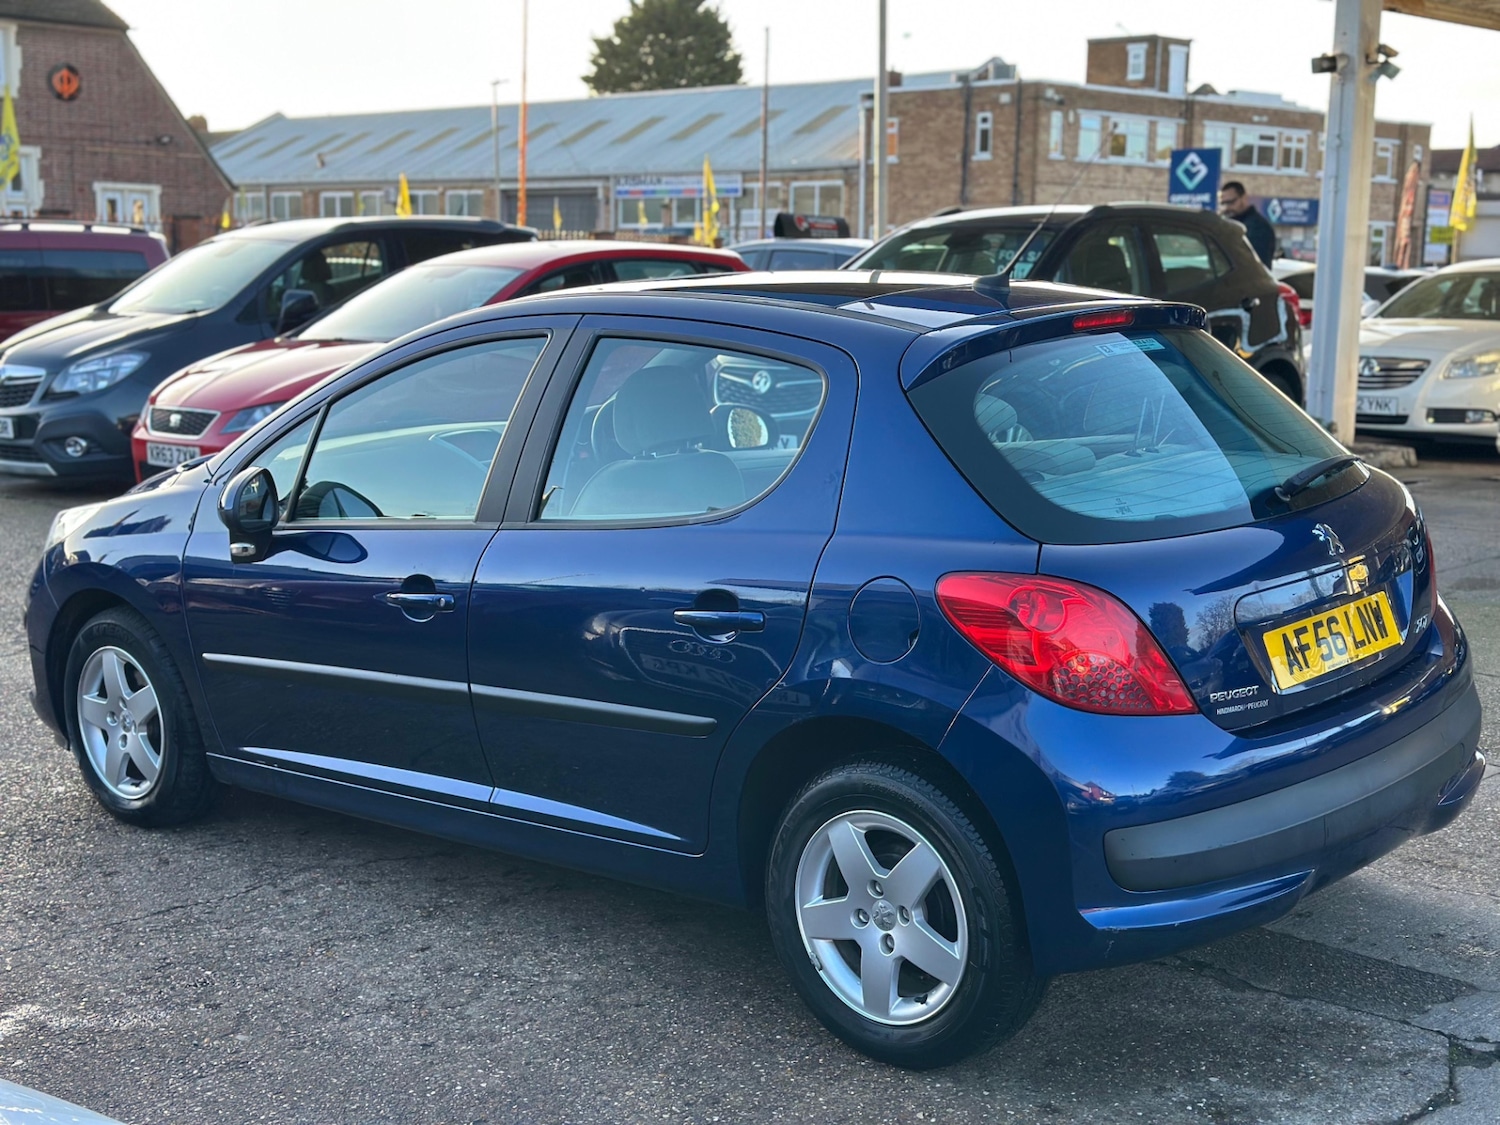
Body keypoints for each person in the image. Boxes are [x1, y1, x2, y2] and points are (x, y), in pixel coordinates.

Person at [1219, 182, 1276, 267]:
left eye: (1231, 202)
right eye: (1223, 204)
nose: (1227, 208)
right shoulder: (1231, 225)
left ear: (1244, 198)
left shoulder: (1258, 228)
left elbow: (1256, 265)